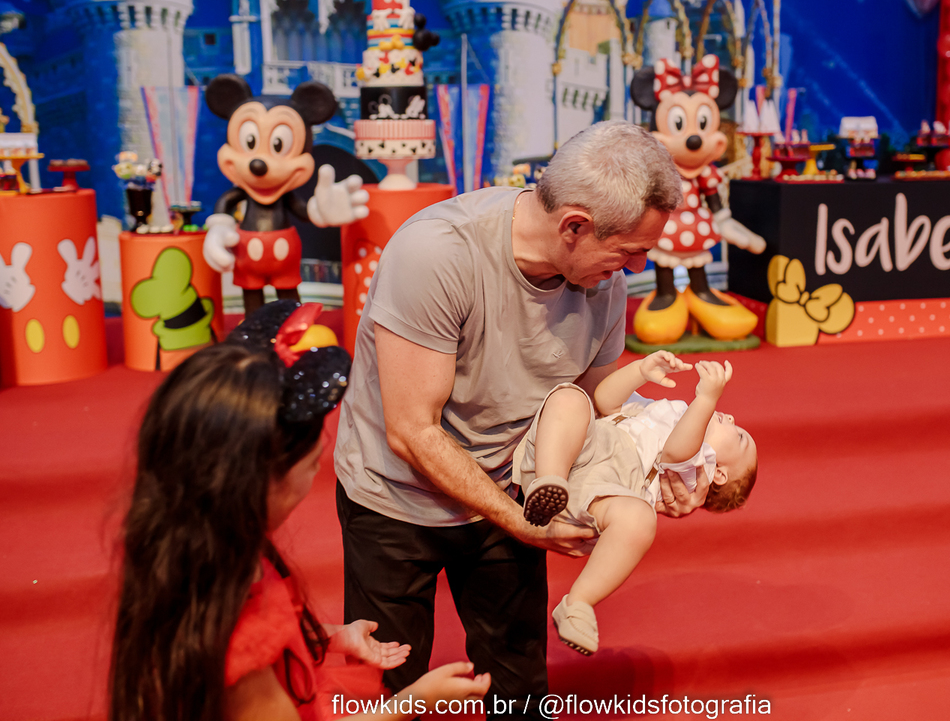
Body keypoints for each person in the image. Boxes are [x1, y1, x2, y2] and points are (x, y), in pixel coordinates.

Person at [334, 120, 704, 716]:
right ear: (574, 226)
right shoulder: (438, 252)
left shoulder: (602, 277)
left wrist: (658, 466)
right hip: (394, 497)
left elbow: (587, 404)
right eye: (629, 251)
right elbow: (411, 430)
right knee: (387, 692)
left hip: (514, 485)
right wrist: (519, 521)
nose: (636, 267)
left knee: (520, 689)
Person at [109, 301, 490, 721]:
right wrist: (414, 700)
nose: (315, 471)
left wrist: (331, 638)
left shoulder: (200, 556)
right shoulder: (239, 643)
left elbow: (275, 639)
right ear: (257, 484)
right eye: (311, 463)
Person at [517, 352, 759, 655]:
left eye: (740, 437)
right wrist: (640, 370)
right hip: (580, 445)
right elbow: (605, 400)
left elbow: (676, 453)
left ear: (720, 474)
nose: (733, 419)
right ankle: (548, 482)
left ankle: (578, 603)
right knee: (571, 398)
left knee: (641, 519)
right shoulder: (671, 411)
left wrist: (707, 398)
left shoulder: (701, 467)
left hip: (607, 488)